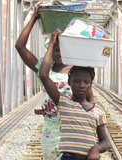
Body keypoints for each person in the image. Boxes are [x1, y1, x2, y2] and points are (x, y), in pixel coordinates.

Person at [15, 4, 94, 160]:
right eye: (56, 50)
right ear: (50, 49)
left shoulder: (77, 73)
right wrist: (34, 18)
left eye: (64, 49)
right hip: (51, 129)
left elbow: (90, 101)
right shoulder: (44, 69)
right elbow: (20, 46)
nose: (59, 54)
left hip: (74, 128)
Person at [39, 29, 109, 160]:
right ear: (69, 82)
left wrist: (96, 149)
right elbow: (43, 75)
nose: (81, 85)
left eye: (86, 82)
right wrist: (51, 43)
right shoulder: (63, 103)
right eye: (77, 81)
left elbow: (105, 142)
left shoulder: (98, 111)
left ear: (91, 84)